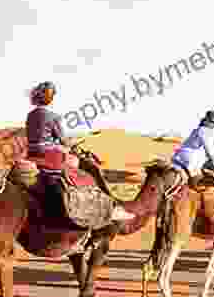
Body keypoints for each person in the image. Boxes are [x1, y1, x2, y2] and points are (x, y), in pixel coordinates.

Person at [25, 81, 134, 221]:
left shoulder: (30, 115)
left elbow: (39, 137)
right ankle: (107, 210)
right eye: (51, 94)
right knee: (84, 171)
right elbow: (62, 139)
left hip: (32, 155)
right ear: (48, 97)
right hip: (49, 155)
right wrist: (71, 144)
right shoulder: (53, 117)